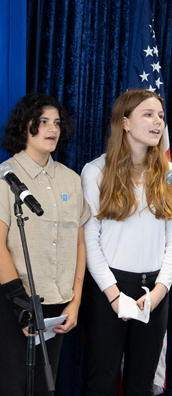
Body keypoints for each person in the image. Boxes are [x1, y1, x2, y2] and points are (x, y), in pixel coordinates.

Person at [0, 93, 89, 394]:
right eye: (43, 122)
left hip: (57, 303)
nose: (52, 129)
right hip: (13, 299)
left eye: (56, 123)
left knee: (45, 388)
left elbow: (79, 244)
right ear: (26, 127)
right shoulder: (5, 175)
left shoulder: (71, 180)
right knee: (11, 386)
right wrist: (21, 307)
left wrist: (76, 301)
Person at [81, 89, 171, 395]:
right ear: (126, 122)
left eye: (160, 115)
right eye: (148, 114)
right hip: (110, 290)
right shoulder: (96, 172)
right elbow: (89, 240)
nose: (157, 121)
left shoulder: (168, 176)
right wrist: (114, 295)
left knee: (141, 381)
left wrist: (159, 291)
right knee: (103, 378)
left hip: (154, 294)